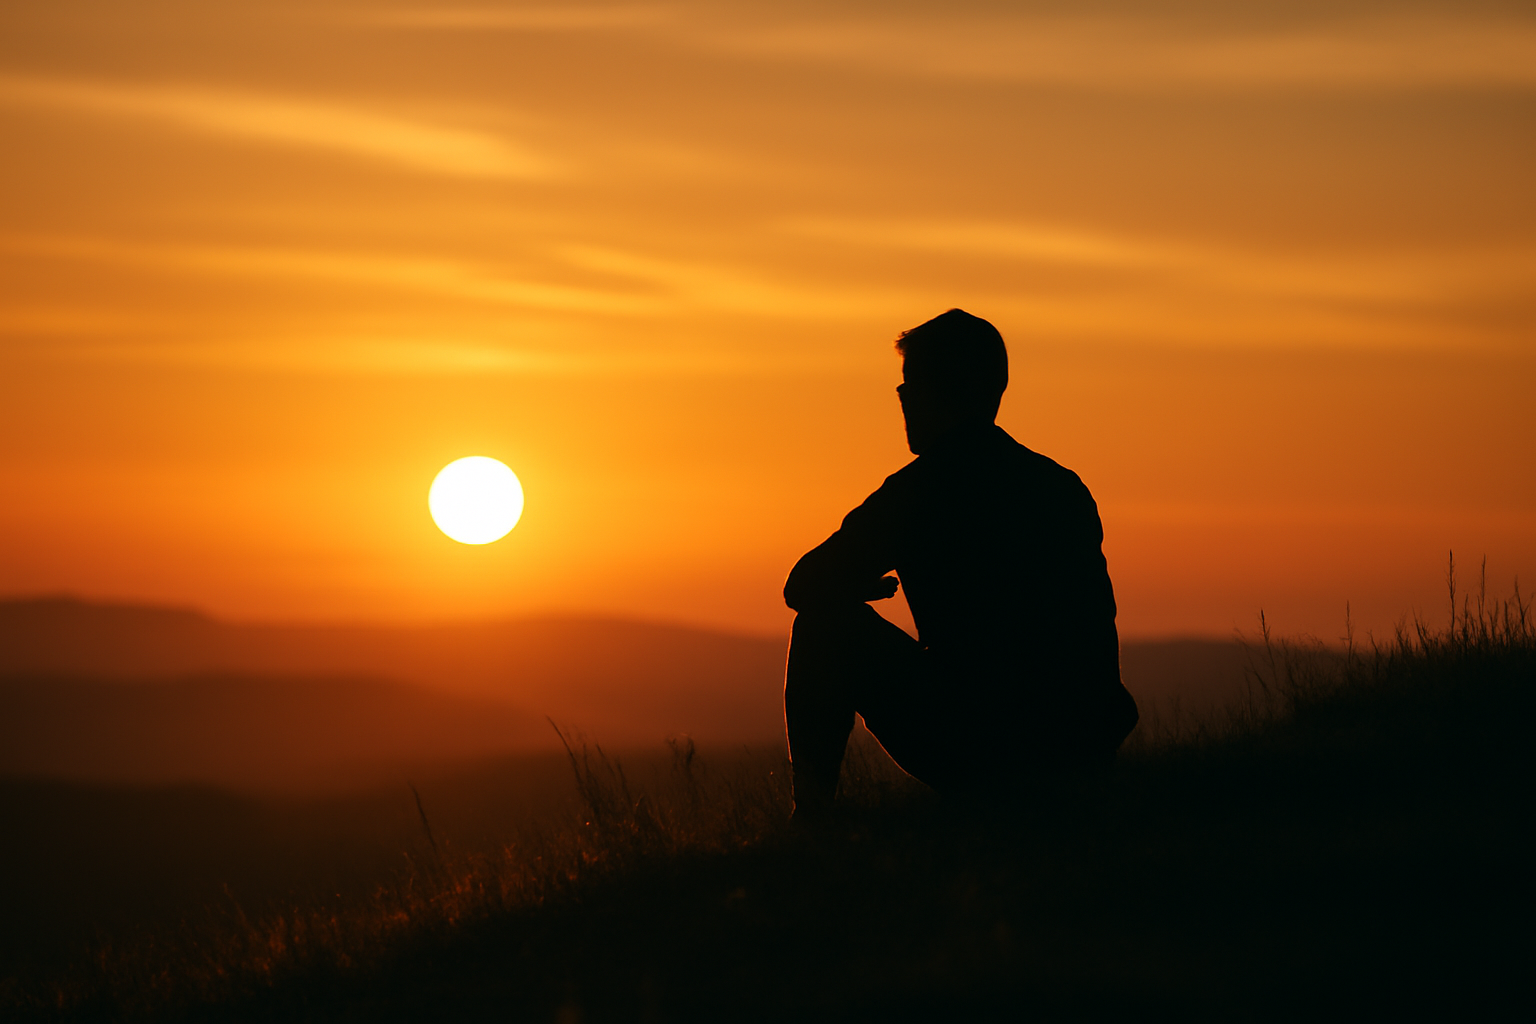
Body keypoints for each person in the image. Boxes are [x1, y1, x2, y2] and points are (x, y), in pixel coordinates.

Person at [782, 309, 1137, 819]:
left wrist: (851, 585)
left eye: (909, 386)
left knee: (824, 628)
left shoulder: (920, 490)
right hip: (1084, 749)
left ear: (935, 392)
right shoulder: (1062, 487)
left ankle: (812, 823)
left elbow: (802, 586)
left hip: (987, 750)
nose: (903, 401)